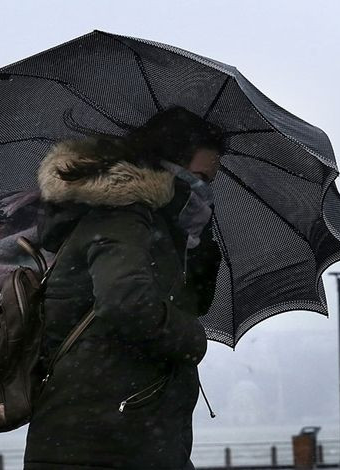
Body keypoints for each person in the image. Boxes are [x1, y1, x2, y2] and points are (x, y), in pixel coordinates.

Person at [23, 106, 224, 469]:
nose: (204, 191)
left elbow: (190, 301)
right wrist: (193, 339)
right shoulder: (123, 218)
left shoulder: (161, 230)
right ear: (169, 168)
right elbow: (125, 303)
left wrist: (200, 245)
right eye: (199, 178)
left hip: (125, 435)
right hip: (103, 443)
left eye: (210, 181)